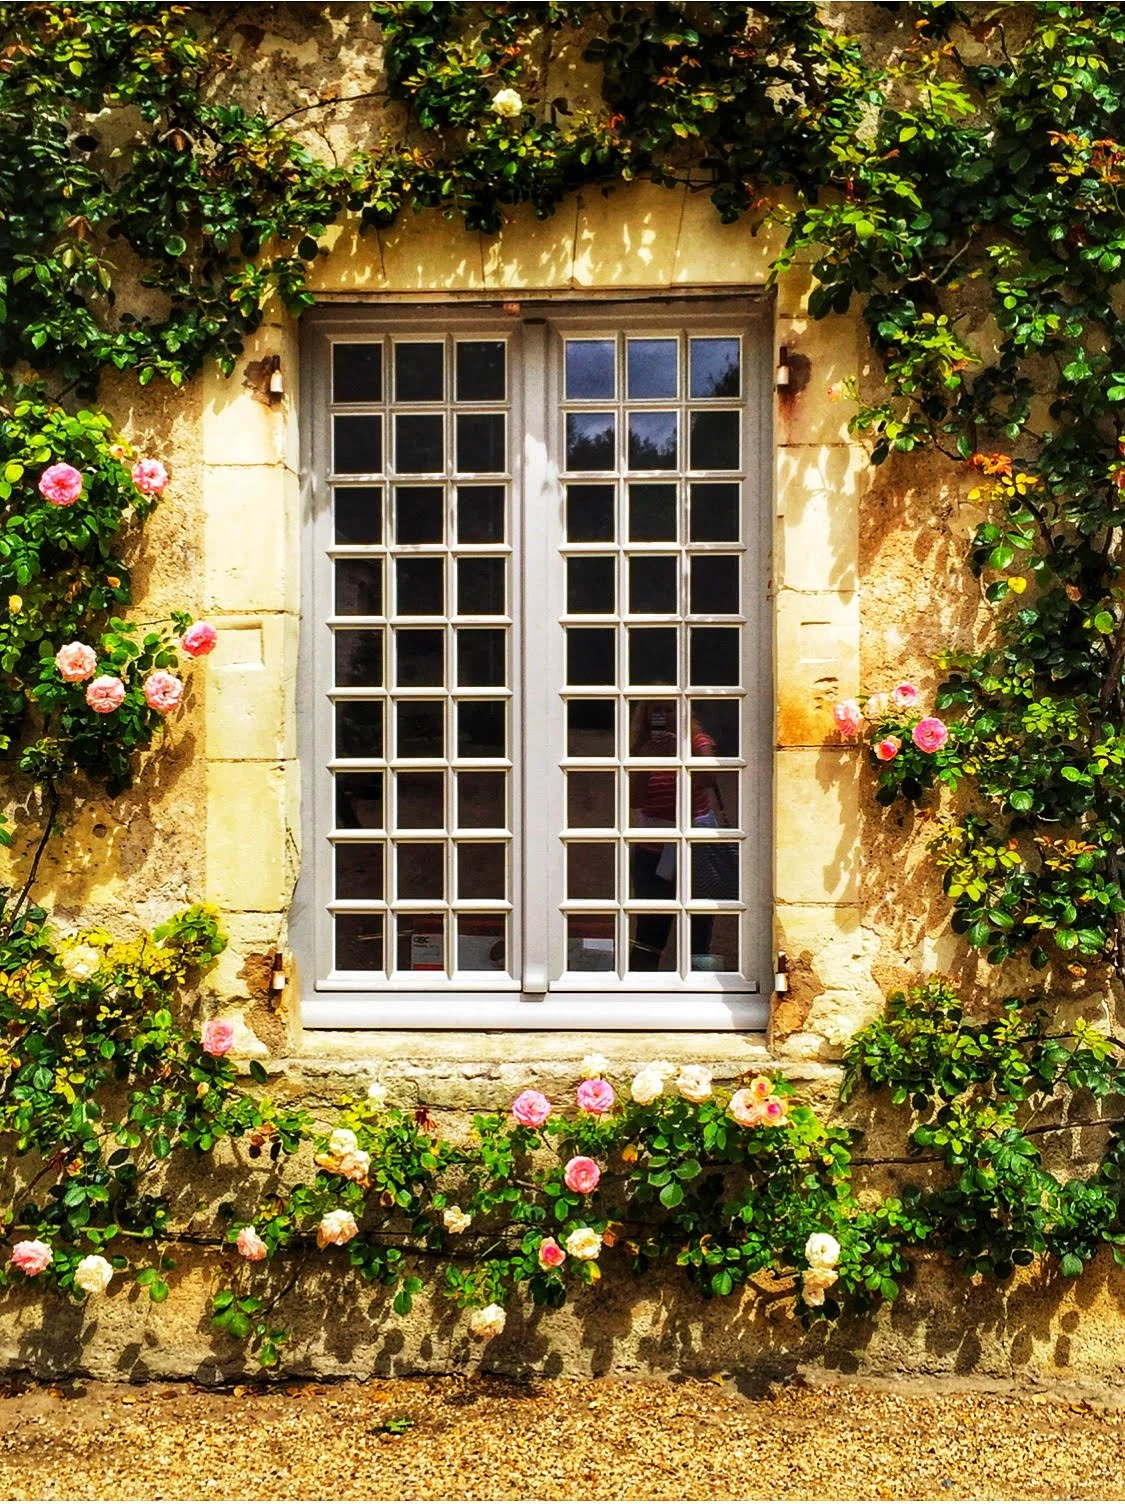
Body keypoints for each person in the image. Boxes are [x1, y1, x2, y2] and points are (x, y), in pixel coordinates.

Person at [627, 701, 718, 970]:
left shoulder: (697, 740)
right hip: (652, 849)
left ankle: (702, 984)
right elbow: (635, 799)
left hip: (695, 845)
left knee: (700, 925)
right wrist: (648, 758)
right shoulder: (641, 750)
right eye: (657, 710)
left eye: (669, 709)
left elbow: (709, 778)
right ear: (645, 717)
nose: (663, 716)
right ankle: (640, 987)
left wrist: (687, 751)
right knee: (650, 927)